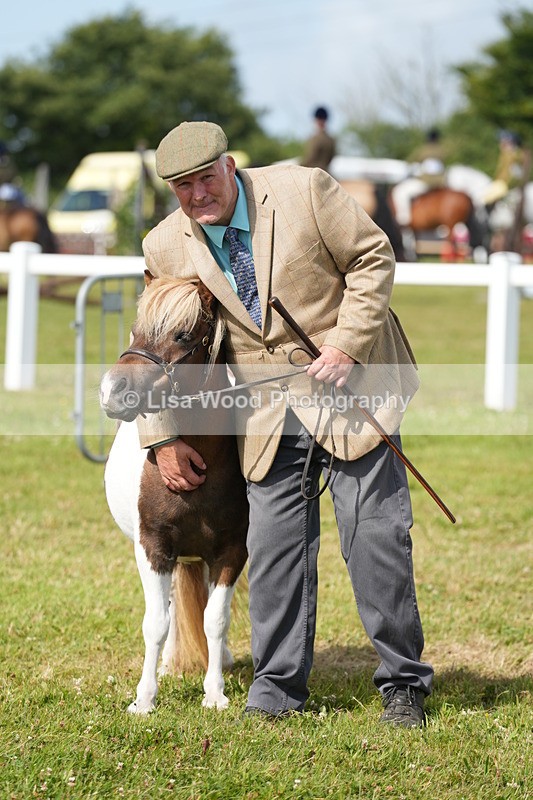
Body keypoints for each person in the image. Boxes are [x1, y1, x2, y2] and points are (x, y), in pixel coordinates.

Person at [137, 120, 433, 727]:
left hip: (354, 389)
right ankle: (275, 691)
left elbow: (373, 258)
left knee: (374, 538)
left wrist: (347, 344)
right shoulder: (164, 246)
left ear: (231, 165)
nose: (198, 196)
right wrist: (161, 436)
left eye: (205, 179)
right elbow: (156, 346)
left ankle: (403, 684)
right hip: (265, 412)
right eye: (182, 188)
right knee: (274, 549)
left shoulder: (306, 191)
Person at [393, 128, 447, 228]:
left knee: (399, 192)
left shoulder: (423, 150)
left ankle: (403, 219)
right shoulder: (442, 151)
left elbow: (410, 162)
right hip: (442, 182)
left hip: (425, 182)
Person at [300, 106, 336, 173]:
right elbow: (331, 158)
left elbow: (310, 157)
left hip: (313, 173)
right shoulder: (331, 140)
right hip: (326, 173)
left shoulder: (315, 139)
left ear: (317, 120)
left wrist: (300, 166)